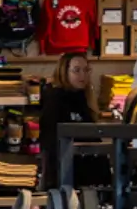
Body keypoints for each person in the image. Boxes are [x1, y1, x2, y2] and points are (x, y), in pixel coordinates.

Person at [40, 50, 96, 187]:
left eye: (86, 70)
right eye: (76, 70)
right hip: (66, 173)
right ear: (64, 72)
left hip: (85, 171)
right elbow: (50, 143)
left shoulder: (83, 98)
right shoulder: (55, 100)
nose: (83, 75)